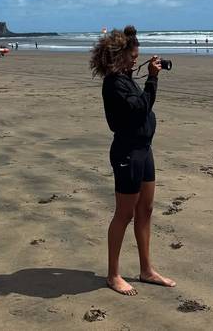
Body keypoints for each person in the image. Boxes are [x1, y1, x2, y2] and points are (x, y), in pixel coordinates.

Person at [90, 25, 175, 296]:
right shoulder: (114, 83)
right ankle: (113, 274)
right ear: (119, 55)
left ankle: (146, 269)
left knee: (145, 211)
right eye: (132, 56)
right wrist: (152, 79)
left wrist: (144, 74)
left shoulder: (125, 78)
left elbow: (140, 106)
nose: (135, 60)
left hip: (144, 150)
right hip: (127, 152)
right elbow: (140, 109)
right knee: (124, 214)